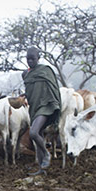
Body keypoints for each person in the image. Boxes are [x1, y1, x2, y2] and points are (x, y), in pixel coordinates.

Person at [22, 47, 62, 175]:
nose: (30, 61)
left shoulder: (46, 70)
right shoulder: (26, 74)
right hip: (33, 107)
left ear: (38, 58)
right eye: (28, 59)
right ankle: (41, 169)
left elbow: (53, 87)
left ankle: (46, 153)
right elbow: (30, 91)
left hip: (46, 105)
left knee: (33, 133)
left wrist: (53, 102)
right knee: (37, 135)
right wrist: (23, 96)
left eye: (33, 59)